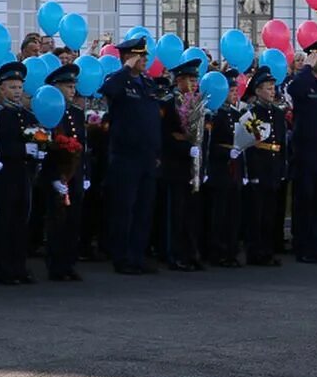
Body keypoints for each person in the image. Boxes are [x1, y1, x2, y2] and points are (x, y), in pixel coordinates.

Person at [0, 62, 43, 286]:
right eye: (12, 87)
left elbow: (37, 139)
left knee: (21, 220)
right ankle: (3, 267)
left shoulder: (26, 114)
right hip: (3, 172)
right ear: (1, 88)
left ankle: (19, 266)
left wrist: (39, 150)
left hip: (23, 173)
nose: (17, 91)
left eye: (19, 87)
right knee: (3, 220)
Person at [99, 37, 162, 275]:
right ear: (128, 57)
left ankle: (137, 256)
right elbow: (108, 91)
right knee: (124, 209)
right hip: (125, 157)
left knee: (144, 210)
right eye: (140, 56)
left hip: (146, 157)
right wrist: (125, 68)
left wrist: (157, 151)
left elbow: (152, 120)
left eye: (145, 56)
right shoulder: (118, 80)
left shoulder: (146, 83)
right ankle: (122, 257)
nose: (145, 60)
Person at [287, 38, 317, 263]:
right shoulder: (303, 81)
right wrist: (306, 67)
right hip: (306, 151)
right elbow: (294, 89)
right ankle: (303, 245)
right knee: (304, 198)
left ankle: (316, 243)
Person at [41, 63, 87, 282]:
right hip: (56, 175)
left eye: (73, 86)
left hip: (74, 173)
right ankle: (56, 264)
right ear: (56, 87)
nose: (72, 90)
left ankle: (69, 263)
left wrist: (84, 173)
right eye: (67, 86)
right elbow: (46, 147)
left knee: (73, 221)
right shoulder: (48, 110)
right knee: (56, 221)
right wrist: (53, 177)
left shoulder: (76, 113)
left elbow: (82, 145)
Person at [160, 58, 205, 271]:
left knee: (192, 213)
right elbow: (165, 136)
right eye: (189, 79)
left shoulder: (197, 103)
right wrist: (186, 148)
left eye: (195, 79)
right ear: (179, 80)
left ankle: (191, 252)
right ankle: (174, 254)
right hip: (175, 166)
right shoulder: (169, 103)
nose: (194, 83)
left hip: (192, 167)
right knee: (175, 213)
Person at [238, 66, 285, 266]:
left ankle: (267, 249)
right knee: (256, 213)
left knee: (270, 213)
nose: (272, 91)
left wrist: (282, 167)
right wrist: (253, 172)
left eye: (273, 87)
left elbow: (281, 142)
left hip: (273, 165)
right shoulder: (252, 112)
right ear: (257, 91)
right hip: (260, 164)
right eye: (267, 88)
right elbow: (248, 144)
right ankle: (254, 251)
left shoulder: (277, 112)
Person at [204, 70, 243, 267]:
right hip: (219, 169)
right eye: (231, 90)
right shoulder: (215, 115)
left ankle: (230, 249)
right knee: (218, 212)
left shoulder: (237, 114)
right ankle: (216, 250)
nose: (235, 94)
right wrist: (226, 153)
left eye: (236, 90)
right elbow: (210, 145)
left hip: (234, 170)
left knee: (232, 213)